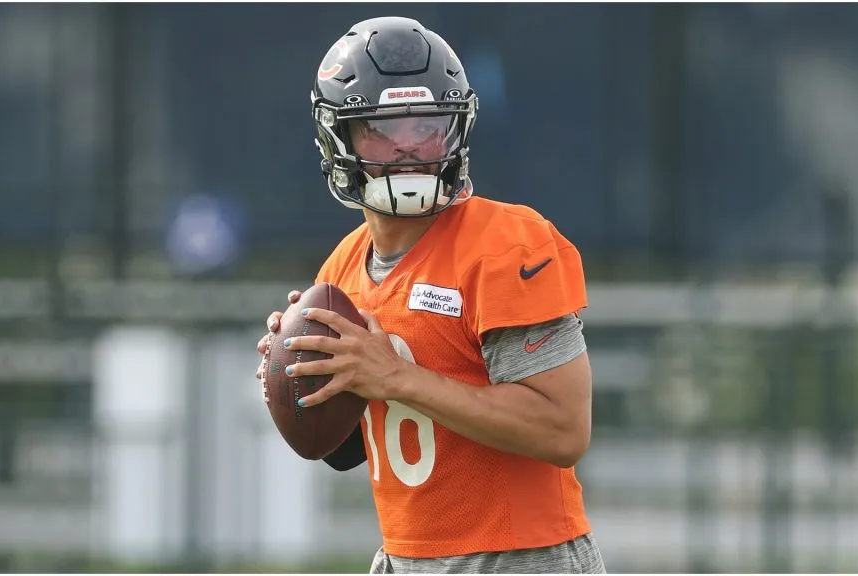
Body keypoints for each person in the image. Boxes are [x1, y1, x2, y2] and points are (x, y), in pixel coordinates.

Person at [256, 16, 605, 574]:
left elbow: (562, 429)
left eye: (426, 126)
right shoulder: (342, 269)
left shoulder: (506, 244)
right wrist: (304, 378)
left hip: (518, 559)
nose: (409, 148)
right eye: (381, 130)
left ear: (456, 130)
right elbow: (343, 450)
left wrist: (395, 375)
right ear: (337, 137)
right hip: (403, 559)